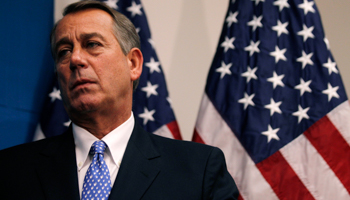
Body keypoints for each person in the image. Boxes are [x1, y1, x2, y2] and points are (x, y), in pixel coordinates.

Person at [0, 1, 239, 199]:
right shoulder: (11, 171)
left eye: (92, 44)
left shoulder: (199, 169)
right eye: (64, 51)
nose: (75, 59)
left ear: (133, 63)